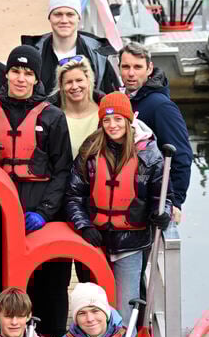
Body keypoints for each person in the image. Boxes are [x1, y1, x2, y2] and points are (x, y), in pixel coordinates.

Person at [0, 46, 73, 337]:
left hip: (38, 215)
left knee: (47, 285)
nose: (21, 78)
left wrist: (45, 212)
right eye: (16, 71)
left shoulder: (53, 117)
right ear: (6, 74)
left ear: (36, 79)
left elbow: (62, 169)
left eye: (28, 73)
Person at [65, 92, 171, 324]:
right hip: (95, 241)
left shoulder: (150, 155)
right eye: (107, 120)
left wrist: (162, 214)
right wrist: (83, 226)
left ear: (128, 119)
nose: (112, 125)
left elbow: (162, 197)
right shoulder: (89, 152)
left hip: (131, 243)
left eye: (118, 119)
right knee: (92, 308)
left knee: (125, 307)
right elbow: (74, 195)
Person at [119, 42, 191, 223]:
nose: (131, 73)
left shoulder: (161, 106)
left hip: (154, 201)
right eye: (126, 67)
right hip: (129, 197)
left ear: (149, 68)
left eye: (137, 67)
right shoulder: (121, 100)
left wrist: (175, 202)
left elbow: (181, 155)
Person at [21, 0, 121, 96]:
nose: (64, 20)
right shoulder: (34, 53)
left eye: (70, 14)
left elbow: (112, 97)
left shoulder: (98, 54)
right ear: (49, 17)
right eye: (58, 14)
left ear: (78, 18)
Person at [48, 55, 102, 161]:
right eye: (69, 82)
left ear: (88, 80)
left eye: (79, 80)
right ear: (61, 86)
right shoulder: (51, 116)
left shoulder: (105, 112)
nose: (74, 86)